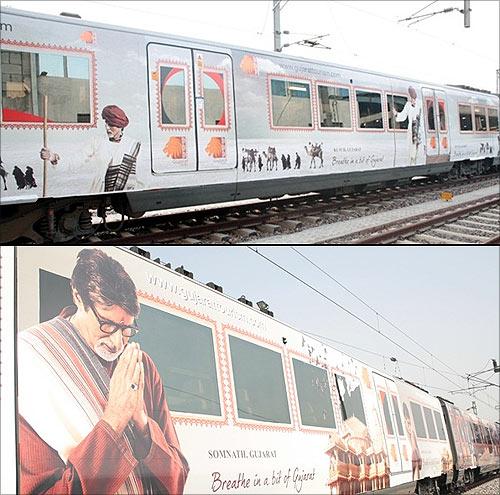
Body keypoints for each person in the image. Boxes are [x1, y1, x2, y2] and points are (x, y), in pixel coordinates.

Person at [18, 249, 189, 494]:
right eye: (107, 325)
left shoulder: (143, 367)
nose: (118, 342)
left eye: (127, 329)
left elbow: (177, 479)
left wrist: (142, 425)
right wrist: (114, 420)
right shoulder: (31, 359)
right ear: (78, 297)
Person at [40, 105, 141, 193]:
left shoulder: (132, 145)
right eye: (106, 123)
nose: (107, 128)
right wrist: (53, 158)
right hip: (99, 194)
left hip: (124, 194)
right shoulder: (97, 142)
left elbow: (137, 176)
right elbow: (75, 160)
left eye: (111, 125)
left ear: (120, 125)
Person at [392, 86, 422, 166]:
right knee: (412, 146)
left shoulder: (419, 103)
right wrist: (396, 114)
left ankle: (414, 161)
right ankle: (412, 161)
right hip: (411, 129)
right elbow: (403, 116)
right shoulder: (408, 105)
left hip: (418, 129)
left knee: (416, 145)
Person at [402, 403, 422, 481]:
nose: (409, 427)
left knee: (416, 474)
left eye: (410, 423)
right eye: (407, 423)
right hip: (412, 458)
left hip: (414, 458)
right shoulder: (406, 436)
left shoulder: (412, 434)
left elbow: (415, 447)